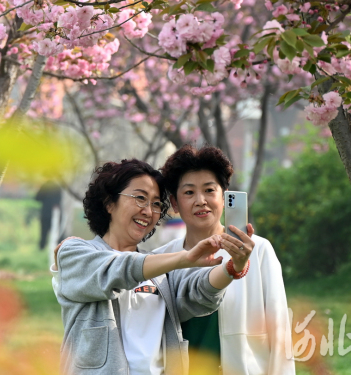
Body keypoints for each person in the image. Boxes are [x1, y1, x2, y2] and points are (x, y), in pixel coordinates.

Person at [52, 159, 255, 375]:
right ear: (109, 203)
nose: (148, 211)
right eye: (140, 198)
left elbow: (197, 292)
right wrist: (184, 258)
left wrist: (233, 267)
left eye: (156, 203)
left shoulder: (158, 268)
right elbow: (118, 269)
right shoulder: (74, 252)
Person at [156, 145, 295, 375]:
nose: (200, 201)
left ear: (224, 195)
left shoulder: (258, 250)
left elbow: (279, 329)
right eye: (189, 193)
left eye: (209, 190)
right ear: (174, 202)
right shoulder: (162, 259)